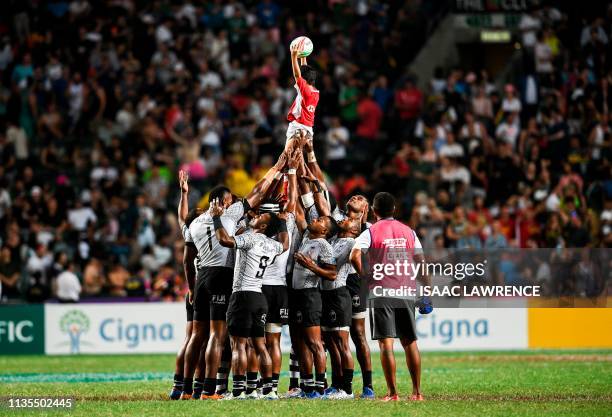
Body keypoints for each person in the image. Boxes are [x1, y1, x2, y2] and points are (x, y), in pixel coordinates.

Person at [180, 154, 287, 400]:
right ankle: (209, 390)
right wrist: (278, 167)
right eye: (229, 200)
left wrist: (192, 287)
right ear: (224, 201)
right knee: (218, 337)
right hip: (222, 277)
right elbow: (258, 192)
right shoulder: (227, 216)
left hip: (202, 276)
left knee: (197, 336)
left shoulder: (194, 224)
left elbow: (187, 260)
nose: (232, 203)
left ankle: (186, 390)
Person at [350, 192, 432, 401]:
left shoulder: (371, 231)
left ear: (374, 211)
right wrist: (427, 291)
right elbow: (421, 263)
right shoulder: (409, 231)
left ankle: (393, 393)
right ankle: (417, 392)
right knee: (410, 342)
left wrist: (365, 276)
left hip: (381, 291)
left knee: (386, 344)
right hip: (405, 291)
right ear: (393, 210)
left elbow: (354, 255)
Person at [210, 197, 289, 400]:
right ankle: (269, 390)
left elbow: (225, 240)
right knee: (260, 345)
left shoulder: (251, 237)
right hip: (259, 297)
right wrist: (281, 222)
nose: (254, 215)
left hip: (242, 295)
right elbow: (286, 244)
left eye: (260, 216)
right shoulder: (273, 245)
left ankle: (238, 391)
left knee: (239, 345)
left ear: (262, 226)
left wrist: (217, 219)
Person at [291, 215, 338, 398]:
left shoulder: (324, 246)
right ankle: (307, 387)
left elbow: (332, 274)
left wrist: (310, 265)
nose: (316, 220)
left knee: (314, 343)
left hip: (310, 295)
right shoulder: (306, 239)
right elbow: (300, 215)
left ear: (324, 231)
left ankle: (319, 388)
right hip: (296, 295)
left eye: (320, 221)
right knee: (300, 343)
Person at [321, 217, 361, 400]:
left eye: (350, 220)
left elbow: (337, 267)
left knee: (342, 343)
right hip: (326, 295)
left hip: (339, 294)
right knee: (330, 343)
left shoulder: (352, 242)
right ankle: (336, 385)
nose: (345, 219)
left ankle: (348, 389)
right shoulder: (335, 240)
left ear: (354, 230)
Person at [285, 40, 319, 149]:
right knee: (302, 158)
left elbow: (297, 74)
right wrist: (303, 56)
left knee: (290, 156)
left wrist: (293, 56)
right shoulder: (314, 91)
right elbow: (304, 72)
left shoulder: (304, 90)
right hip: (308, 128)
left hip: (298, 126)